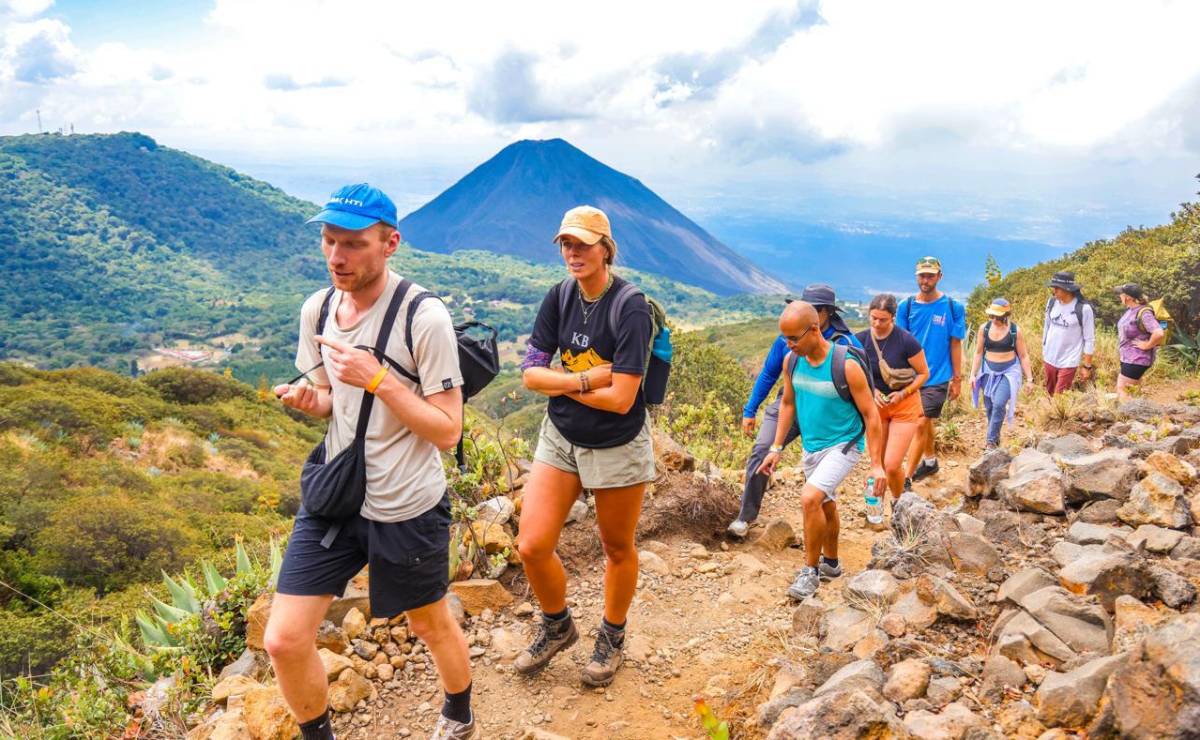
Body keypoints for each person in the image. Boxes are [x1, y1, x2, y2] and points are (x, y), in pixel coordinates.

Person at [267, 184, 476, 740]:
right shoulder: (318, 309)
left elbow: (448, 429)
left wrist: (378, 378)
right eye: (329, 241)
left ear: (390, 244)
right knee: (283, 639)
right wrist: (315, 402)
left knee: (428, 622)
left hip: (406, 503)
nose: (337, 257)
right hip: (337, 495)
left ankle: (459, 711)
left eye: (354, 244)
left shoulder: (421, 317)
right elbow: (333, 399)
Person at [515, 205, 656, 687]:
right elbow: (530, 374)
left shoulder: (630, 307)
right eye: (566, 244)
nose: (573, 253)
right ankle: (558, 625)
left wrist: (560, 382)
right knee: (531, 544)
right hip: (562, 435)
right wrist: (579, 380)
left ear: (605, 249)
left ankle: (612, 635)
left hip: (617, 444)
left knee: (616, 547)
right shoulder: (559, 296)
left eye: (582, 244)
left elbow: (621, 400)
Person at [758, 301, 886, 601]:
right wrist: (776, 447)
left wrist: (876, 464)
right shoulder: (792, 361)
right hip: (812, 446)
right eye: (785, 338)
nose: (788, 345)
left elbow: (871, 414)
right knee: (826, 504)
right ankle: (831, 563)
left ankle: (810, 572)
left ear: (815, 329)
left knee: (810, 498)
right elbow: (788, 403)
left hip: (845, 443)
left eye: (793, 338)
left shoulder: (846, 365)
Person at [728, 284, 863, 538]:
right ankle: (746, 516)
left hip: (828, 411)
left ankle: (824, 538)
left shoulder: (846, 344)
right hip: (791, 402)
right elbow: (769, 374)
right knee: (762, 449)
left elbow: (863, 385)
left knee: (822, 479)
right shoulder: (787, 340)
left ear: (824, 314)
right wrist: (750, 410)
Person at [897, 257, 966, 487]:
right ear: (916, 276)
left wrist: (957, 379)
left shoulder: (952, 307)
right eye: (922, 275)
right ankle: (930, 461)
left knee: (920, 421)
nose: (925, 280)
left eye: (930, 275)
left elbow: (955, 344)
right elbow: (899, 343)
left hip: (938, 376)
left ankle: (906, 478)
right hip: (912, 377)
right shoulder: (905, 307)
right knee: (925, 422)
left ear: (940, 276)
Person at [856, 294, 930, 499]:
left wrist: (903, 392)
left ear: (893, 318)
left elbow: (924, 373)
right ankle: (876, 507)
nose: (877, 323)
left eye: (883, 319)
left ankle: (900, 503)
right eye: (873, 318)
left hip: (904, 405)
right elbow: (855, 374)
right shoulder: (860, 341)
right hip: (876, 408)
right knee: (876, 464)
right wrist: (872, 391)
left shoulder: (906, 341)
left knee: (891, 464)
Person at [969, 298, 1033, 449]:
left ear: (1005, 315)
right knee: (990, 407)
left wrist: (1029, 379)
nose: (994, 319)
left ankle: (990, 442)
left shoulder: (1014, 331)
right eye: (992, 316)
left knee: (998, 404)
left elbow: (1023, 356)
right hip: (988, 372)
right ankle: (996, 439)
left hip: (1009, 373)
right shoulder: (984, 329)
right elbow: (978, 353)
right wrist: (973, 374)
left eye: (997, 317)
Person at [1042, 270, 1096, 396]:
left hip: (1069, 360)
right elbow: (1047, 327)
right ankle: (1049, 414)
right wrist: (1044, 349)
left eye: (1057, 288)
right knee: (1050, 393)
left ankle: (1059, 414)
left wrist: (1087, 366)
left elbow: (1089, 338)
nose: (1053, 291)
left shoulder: (1083, 309)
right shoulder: (1051, 303)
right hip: (1049, 357)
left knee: (1060, 395)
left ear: (1067, 289)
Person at [1114, 283, 1165, 401]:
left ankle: (1127, 417)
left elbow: (1158, 333)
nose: (1119, 296)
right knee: (1131, 391)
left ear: (1128, 297)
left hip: (1137, 359)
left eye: (1121, 294)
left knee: (1122, 389)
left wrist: (1147, 345)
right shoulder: (1131, 310)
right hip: (1128, 358)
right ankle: (1136, 415)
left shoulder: (1144, 312)